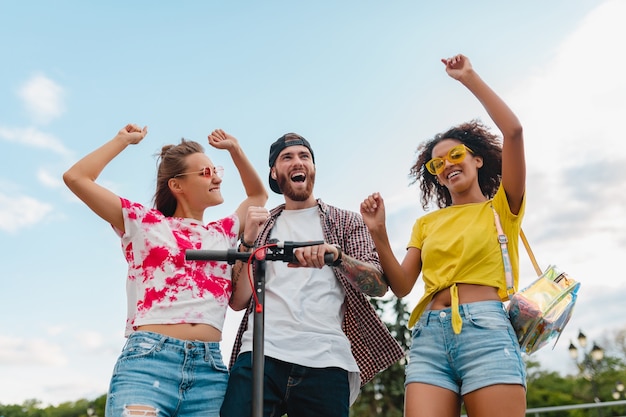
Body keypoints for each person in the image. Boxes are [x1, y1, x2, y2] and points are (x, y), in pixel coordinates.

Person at [360, 54, 527, 417]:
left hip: (486, 330)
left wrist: (469, 77)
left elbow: (513, 131)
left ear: (477, 159)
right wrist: (378, 232)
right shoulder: (427, 224)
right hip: (429, 337)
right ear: (435, 176)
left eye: (455, 155)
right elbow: (402, 285)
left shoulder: (501, 208)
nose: (448, 164)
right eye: (438, 163)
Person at [63, 124, 268, 417]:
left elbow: (258, 196)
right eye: (205, 172)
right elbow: (76, 177)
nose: (216, 177)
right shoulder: (143, 223)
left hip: (209, 372)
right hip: (148, 362)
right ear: (177, 185)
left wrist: (235, 150)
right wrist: (122, 140)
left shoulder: (222, 232)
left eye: (215, 169)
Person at [220, 133, 404, 417]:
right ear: (274, 172)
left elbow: (378, 286)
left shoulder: (345, 221)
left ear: (313, 168)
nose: (298, 162)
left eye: (304, 156)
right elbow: (237, 301)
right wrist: (247, 242)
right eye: (287, 157)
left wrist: (337, 258)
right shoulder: (262, 224)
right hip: (259, 355)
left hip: (326, 359)